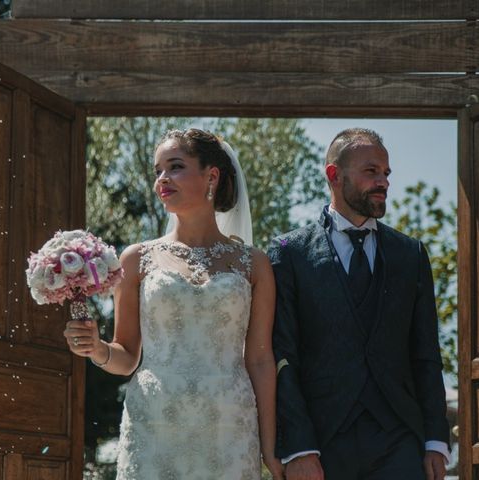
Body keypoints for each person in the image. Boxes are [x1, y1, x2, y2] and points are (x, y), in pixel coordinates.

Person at [64, 128, 284, 479]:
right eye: (157, 171)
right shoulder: (136, 259)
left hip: (229, 429)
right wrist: (97, 349)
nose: (162, 179)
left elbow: (259, 360)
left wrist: (270, 449)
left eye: (175, 167)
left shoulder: (252, 263)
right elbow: (126, 355)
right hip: (154, 426)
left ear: (211, 176)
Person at [269, 128, 450, 480]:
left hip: (399, 440)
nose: (383, 181)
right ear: (335, 175)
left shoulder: (410, 254)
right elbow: (282, 355)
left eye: (386, 173)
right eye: (371, 171)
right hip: (322, 442)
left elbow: (426, 352)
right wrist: (298, 447)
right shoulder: (290, 253)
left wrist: (435, 441)